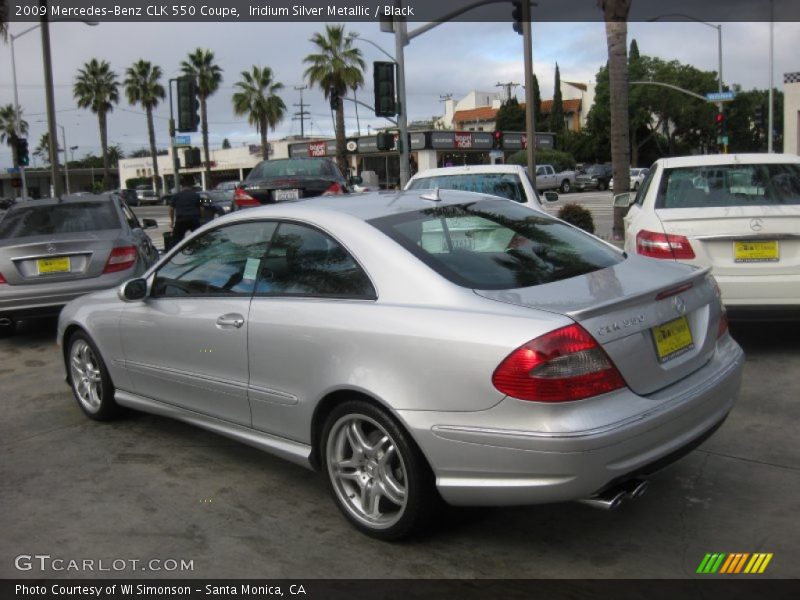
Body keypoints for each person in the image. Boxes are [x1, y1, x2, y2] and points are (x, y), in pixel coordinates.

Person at [168, 177, 202, 250]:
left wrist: (172, 221)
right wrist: (200, 217)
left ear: (182, 186)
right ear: (191, 186)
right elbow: (202, 207)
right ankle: (201, 249)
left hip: (181, 220)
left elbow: (171, 209)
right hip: (194, 219)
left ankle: (172, 254)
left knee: (176, 240)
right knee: (200, 236)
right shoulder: (196, 195)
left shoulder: (176, 196)